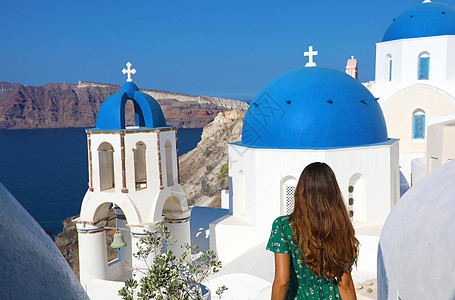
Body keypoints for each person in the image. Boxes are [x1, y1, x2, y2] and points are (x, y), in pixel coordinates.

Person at [267, 162, 359, 299]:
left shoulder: (283, 226)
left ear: (300, 191)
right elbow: (345, 284)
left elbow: (282, 281)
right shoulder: (340, 227)